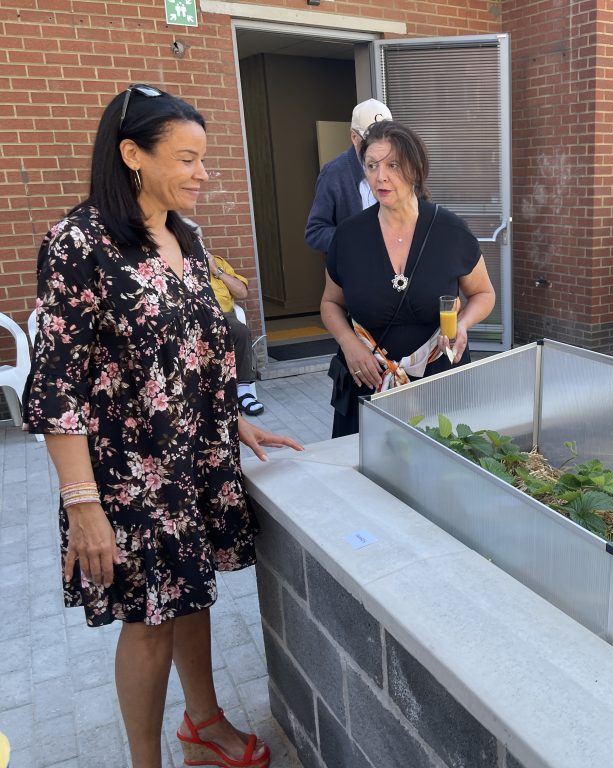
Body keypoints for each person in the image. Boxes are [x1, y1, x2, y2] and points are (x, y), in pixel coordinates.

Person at [21, 83, 302, 768]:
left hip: (195, 461)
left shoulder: (185, 238)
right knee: (148, 621)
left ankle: (202, 726)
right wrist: (82, 505)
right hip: (125, 477)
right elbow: (58, 384)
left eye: (203, 158)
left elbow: (202, 352)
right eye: (187, 158)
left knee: (192, 592)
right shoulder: (78, 242)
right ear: (132, 155)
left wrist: (235, 423)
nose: (203, 173)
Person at [320, 120, 496, 438]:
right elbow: (330, 302)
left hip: (440, 382)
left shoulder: (450, 231)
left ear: (415, 170)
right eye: (371, 165)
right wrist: (348, 344)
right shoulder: (348, 236)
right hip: (368, 384)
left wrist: (463, 324)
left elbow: (483, 294)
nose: (379, 176)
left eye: (392, 165)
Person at [184, 217, 266, 416]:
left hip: (224, 315)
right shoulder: (177, 265)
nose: (197, 244)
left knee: (240, 330)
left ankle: (243, 391)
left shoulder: (218, 262)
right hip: (193, 317)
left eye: (198, 240)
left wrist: (217, 271)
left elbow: (242, 293)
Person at [304, 98, 393, 254]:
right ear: (354, 137)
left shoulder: (401, 167)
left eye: (388, 139)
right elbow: (315, 232)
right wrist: (355, 238)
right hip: (356, 270)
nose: (380, 147)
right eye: (371, 140)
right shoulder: (333, 174)